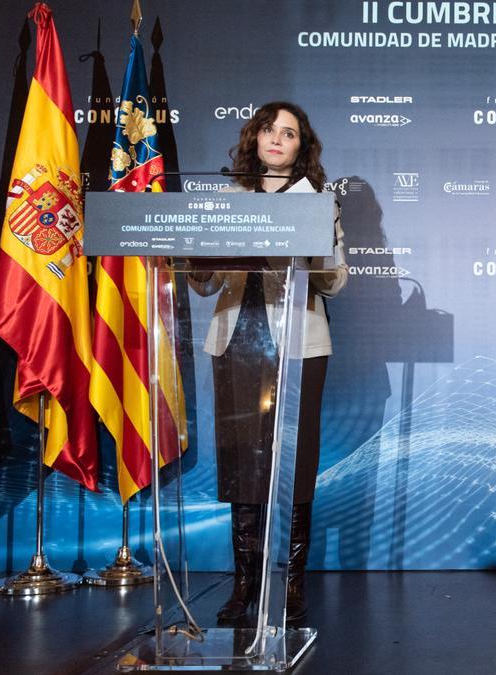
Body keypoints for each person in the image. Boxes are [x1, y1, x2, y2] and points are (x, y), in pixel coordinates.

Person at [190, 101, 347, 626]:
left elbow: (336, 282)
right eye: (268, 130)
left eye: (290, 133)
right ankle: (244, 588)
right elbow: (204, 282)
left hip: (299, 344)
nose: (277, 139)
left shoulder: (318, 203)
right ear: (254, 138)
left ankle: (292, 586)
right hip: (237, 340)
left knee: (296, 464)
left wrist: (316, 248)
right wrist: (193, 258)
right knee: (241, 466)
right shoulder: (228, 199)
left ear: (303, 148)